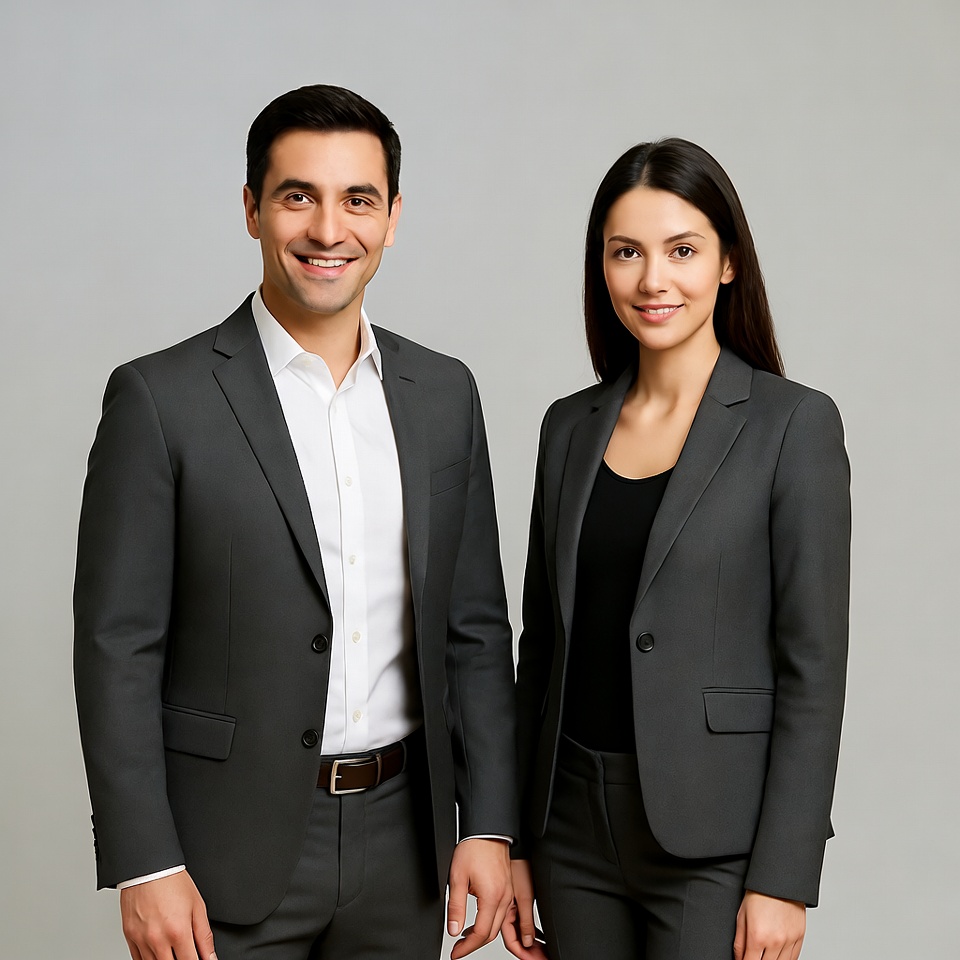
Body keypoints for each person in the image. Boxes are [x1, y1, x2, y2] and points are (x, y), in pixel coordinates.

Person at [74, 84, 518, 960]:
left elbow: (473, 632)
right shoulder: (160, 401)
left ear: (393, 217)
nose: (328, 230)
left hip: (406, 847)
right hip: (219, 853)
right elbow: (116, 645)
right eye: (297, 196)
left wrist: (491, 824)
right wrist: (143, 862)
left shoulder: (444, 396)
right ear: (251, 209)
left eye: (358, 199)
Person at [501, 139, 850, 960]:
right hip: (570, 831)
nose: (653, 279)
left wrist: (784, 876)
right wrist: (514, 839)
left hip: (715, 845)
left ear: (728, 262)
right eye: (627, 253)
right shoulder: (568, 427)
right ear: (603, 268)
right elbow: (541, 650)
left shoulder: (791, 426)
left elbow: (814, 665)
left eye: (682, 250)